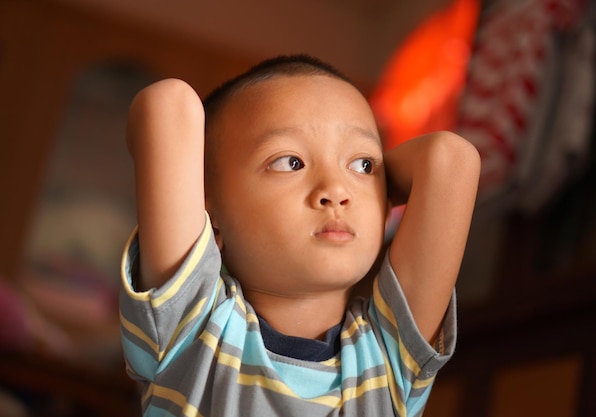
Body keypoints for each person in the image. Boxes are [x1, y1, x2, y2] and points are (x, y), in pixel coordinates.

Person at [119, 54, 480, 417]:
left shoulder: (390, 359)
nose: (337, 190)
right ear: (208, 212)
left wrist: (377, 193)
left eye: (362, 165)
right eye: (290, 162)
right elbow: (167, 106)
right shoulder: (191, 328)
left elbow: (451, 159)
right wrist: (370, 180)